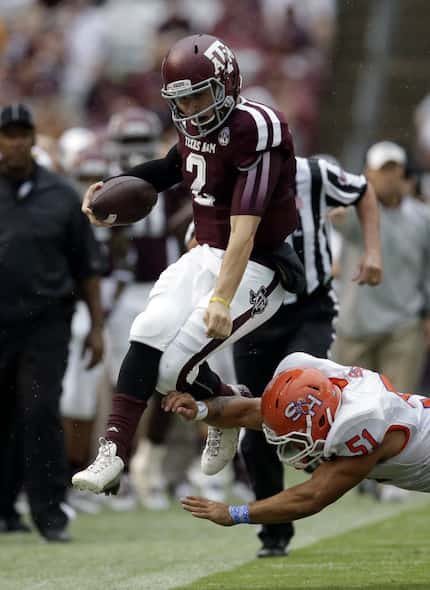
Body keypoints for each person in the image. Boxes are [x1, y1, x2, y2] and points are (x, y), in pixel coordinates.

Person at [72, 33, 304, 495]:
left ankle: (225, 407)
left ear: (227, 84)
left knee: (171, 368)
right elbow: (169, 168)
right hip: (206, 252)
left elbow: (245, 229)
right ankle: (114, 452)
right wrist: (114, 184)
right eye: (182, 98)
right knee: (148, 329)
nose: (193, 107)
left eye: (200, 94)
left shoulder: (256, 130)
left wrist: (221, 297)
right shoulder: (194, 126)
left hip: (258, 264)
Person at [232, 154, 382, 557]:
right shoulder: (230, 175)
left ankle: (333, 452)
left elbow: (363, 191)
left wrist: (372, 251)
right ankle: (274, 533)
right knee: (256, 421)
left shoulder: (313, 172)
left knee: (299, 387)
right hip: (251, 314)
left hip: (307, 307)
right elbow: (199, 235)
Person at [162, 351, 430, 528]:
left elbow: (311, 497)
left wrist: (234, 513)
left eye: (295, 438)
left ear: (324, 422)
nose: (286, 442)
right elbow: (245, 411)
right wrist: (200, 409)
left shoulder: (362, 427)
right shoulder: (320, 400)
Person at [0, 103, 104, 541]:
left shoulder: (62, 195)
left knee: (41, 412)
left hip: (46, 322)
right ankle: (5, 510)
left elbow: (88, 267)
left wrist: (97, 326)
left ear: (32, 139)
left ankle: (50, 514)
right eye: (8, 134)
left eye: (24, 133)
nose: (17, 141)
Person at [332, 141, 430, 393]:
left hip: (403, 328)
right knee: (348, 404)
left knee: (400, 407)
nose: (387, 176)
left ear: (402, 172)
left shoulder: (423, 218)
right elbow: (337, 216)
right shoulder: (353, 213)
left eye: (392, 169)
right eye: (381, 170)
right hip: (354, 328)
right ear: (368, 174)